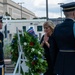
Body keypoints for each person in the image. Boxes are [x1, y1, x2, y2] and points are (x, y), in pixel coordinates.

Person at [50, 2, 75, 75]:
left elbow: (53, 49)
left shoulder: (57, 28)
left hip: (60, 65)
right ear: (74, 13)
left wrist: (56, 64)